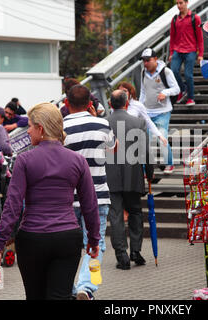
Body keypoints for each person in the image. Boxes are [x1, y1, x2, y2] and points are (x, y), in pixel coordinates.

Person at [0, 103, 100, 300]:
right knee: (60, 296)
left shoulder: (25, 160)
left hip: (33, 238)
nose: (28, 130)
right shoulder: (77, 160)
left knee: (35, 296)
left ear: (40, 128)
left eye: (30, 126)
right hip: (67, 238)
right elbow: (89, 204)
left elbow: (13, 205)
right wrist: (93, 239)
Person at [63, 84, 117, 300]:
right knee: (96, 244)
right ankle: (86, 287)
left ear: (66, 103)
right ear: (90, 104)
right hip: (98, 195)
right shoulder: (102, 125)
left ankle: (67, 286)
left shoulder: (60, 127)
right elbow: (113, 150)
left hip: (68, 198)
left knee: (67, 245)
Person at [105, 89, 154, 270]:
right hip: (132, 174)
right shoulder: (138, 122)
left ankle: (122, 255)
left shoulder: (104, 123)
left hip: (110, 176)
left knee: (116, 215)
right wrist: (150, 172)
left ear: (110, 104)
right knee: (135, 213)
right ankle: (136, 251)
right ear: (126, 103)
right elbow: (145, 151)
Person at [139, 47, 180, 174]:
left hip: (163, 112)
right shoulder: (142, 73)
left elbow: (176, 89)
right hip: (148, 112)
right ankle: (146, 169)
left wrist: (165, 93)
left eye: (148, 60)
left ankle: (169, 164)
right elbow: (143, 92)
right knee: (146, 141)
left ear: (155, 59)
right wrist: (140, 109)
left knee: (161, 138)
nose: (145, 63)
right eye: (144, 61)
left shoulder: (166, 72)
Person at [169, 0, 204, 107]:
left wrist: (201, 54)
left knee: (188, 75)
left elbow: (200, 37)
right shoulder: (175, 19)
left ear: (186, 3)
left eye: (181, 3)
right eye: (177, 3)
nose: (179, 6)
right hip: (177, 50)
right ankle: (183, 89)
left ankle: (190, 98)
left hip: (191, 50)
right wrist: (171, 52)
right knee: (173, 71)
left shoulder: (195, 18)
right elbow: (172, 37)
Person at [117, 81, 168, 147]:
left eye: (125, 91)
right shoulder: (115, 106)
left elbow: (148, 121)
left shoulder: (138, 105)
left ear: (130, 92)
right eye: (119, 91)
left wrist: (159, 135)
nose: (122, 94)